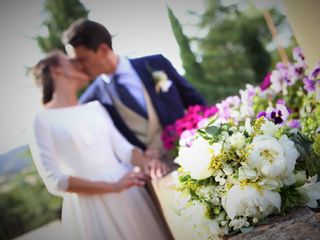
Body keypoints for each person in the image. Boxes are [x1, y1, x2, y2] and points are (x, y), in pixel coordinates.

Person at [29, 51, 170, 240]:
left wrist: (148, 163)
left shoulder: (95, 107)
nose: (79, 64)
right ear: (56, 70)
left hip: (130, 194)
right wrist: (113, 187)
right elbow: (55, 181)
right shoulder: (42, 120)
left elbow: (125, 150)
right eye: (70, 61)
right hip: (93, 207)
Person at [62, 19, 207, 160]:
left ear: (103, 50)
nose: (79, 67)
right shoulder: (90, 100)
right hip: (153, 173)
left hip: (195, 152)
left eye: (82, 59)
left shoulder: (156, 63)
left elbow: (196, 102)